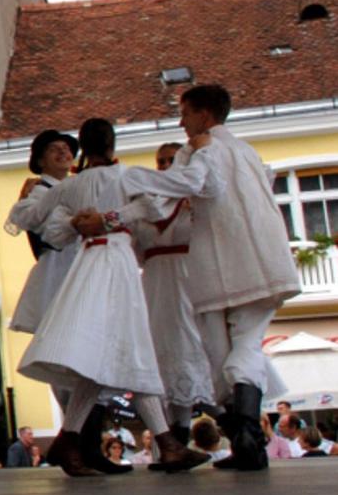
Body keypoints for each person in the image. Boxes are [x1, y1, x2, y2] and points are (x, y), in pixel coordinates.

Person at [118, 84, 302, 471]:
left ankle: (246, 439)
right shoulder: (247, 152)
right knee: (235, 353)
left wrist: (128, 183)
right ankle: (247, 440)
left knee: (225, 358)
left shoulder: (201, 150)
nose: (181, 122)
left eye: (185, 114)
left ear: (204, 115)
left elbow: (177, 192)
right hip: (253, 265)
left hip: (220, 268)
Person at [20, 119, 209, 476]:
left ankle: (72, 439)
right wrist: (197, 153)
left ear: (83, 147)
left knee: (102, 357)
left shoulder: (72, 185)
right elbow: (188, 182)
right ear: (111, 145)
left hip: (88, 263)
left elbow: (30, 218)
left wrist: (73, 219)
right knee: (131, 345)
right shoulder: (127, 176)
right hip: (117, 264)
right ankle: (167, 444)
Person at [133, 141, 213, 446]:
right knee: (161, 348)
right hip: (155, 283)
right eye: (161, 162)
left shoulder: (197, 200)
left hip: (189, 277)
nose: (165, 166)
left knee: (192, 343)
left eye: (170, 160)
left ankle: (224, 422)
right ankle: (173, 432)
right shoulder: (145, 204)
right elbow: (137, 251)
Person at [6, 130, 82, 414]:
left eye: (66, 148)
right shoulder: (38, 193)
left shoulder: (79, 186)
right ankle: (72, 416)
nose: (63, 152)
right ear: (41, 161)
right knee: (61, 348)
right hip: (58, 271)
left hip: (83, 268)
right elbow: (29, 221)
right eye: (54, 149)